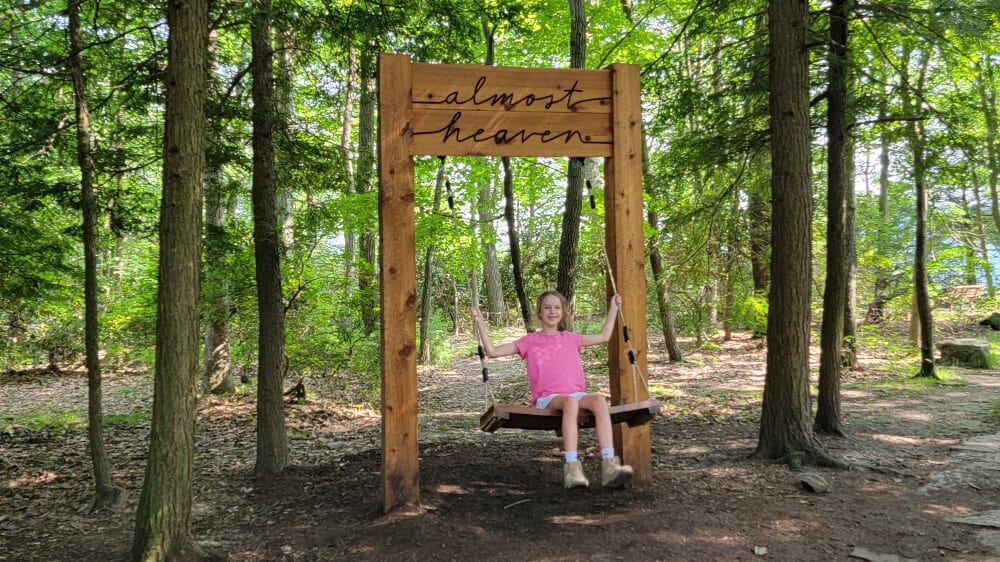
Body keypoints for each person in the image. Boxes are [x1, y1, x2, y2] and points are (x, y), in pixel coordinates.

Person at [471, 290, 633, 490]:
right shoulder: (530, 341)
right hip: (547, 398)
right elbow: (493, 352)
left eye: (557, 307)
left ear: (563, 312)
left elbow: (604, 335)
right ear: (539, 312)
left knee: (599, 401)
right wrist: (479, 321)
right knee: (570, 402)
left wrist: (614, 308)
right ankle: (572, 467)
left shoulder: (571, 338)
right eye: (547, 307)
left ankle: (609, 465)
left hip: (575, 394)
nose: (552, 311)